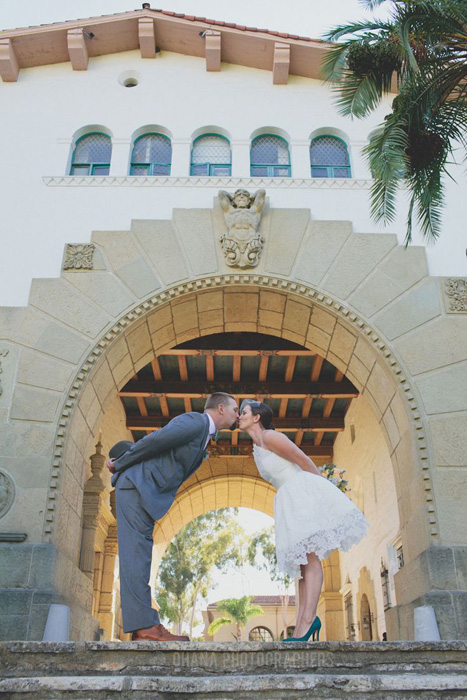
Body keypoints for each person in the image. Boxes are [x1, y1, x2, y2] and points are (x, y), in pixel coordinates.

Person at [107, 392, 239, 641]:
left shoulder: (204, 436)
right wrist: (121, 462)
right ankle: (146, 628)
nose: (237, 414)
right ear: (221, 408)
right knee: (136, 555)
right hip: (136, 487)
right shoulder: (195, 422)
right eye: (235, 409)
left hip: (144, 493)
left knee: (141, 556)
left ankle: (145, 626)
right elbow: (156, 441)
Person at [238, 400, 368, 642]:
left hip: (299, 493)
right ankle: (301, 624)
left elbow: (304, 461)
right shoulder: (257, 446)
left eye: (243, 412)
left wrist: (322, 496)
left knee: (310, 557)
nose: (239, 416)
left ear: (257, 417)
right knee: (301, 565)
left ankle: (308, 620)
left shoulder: (270, 437)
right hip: (286, 499)